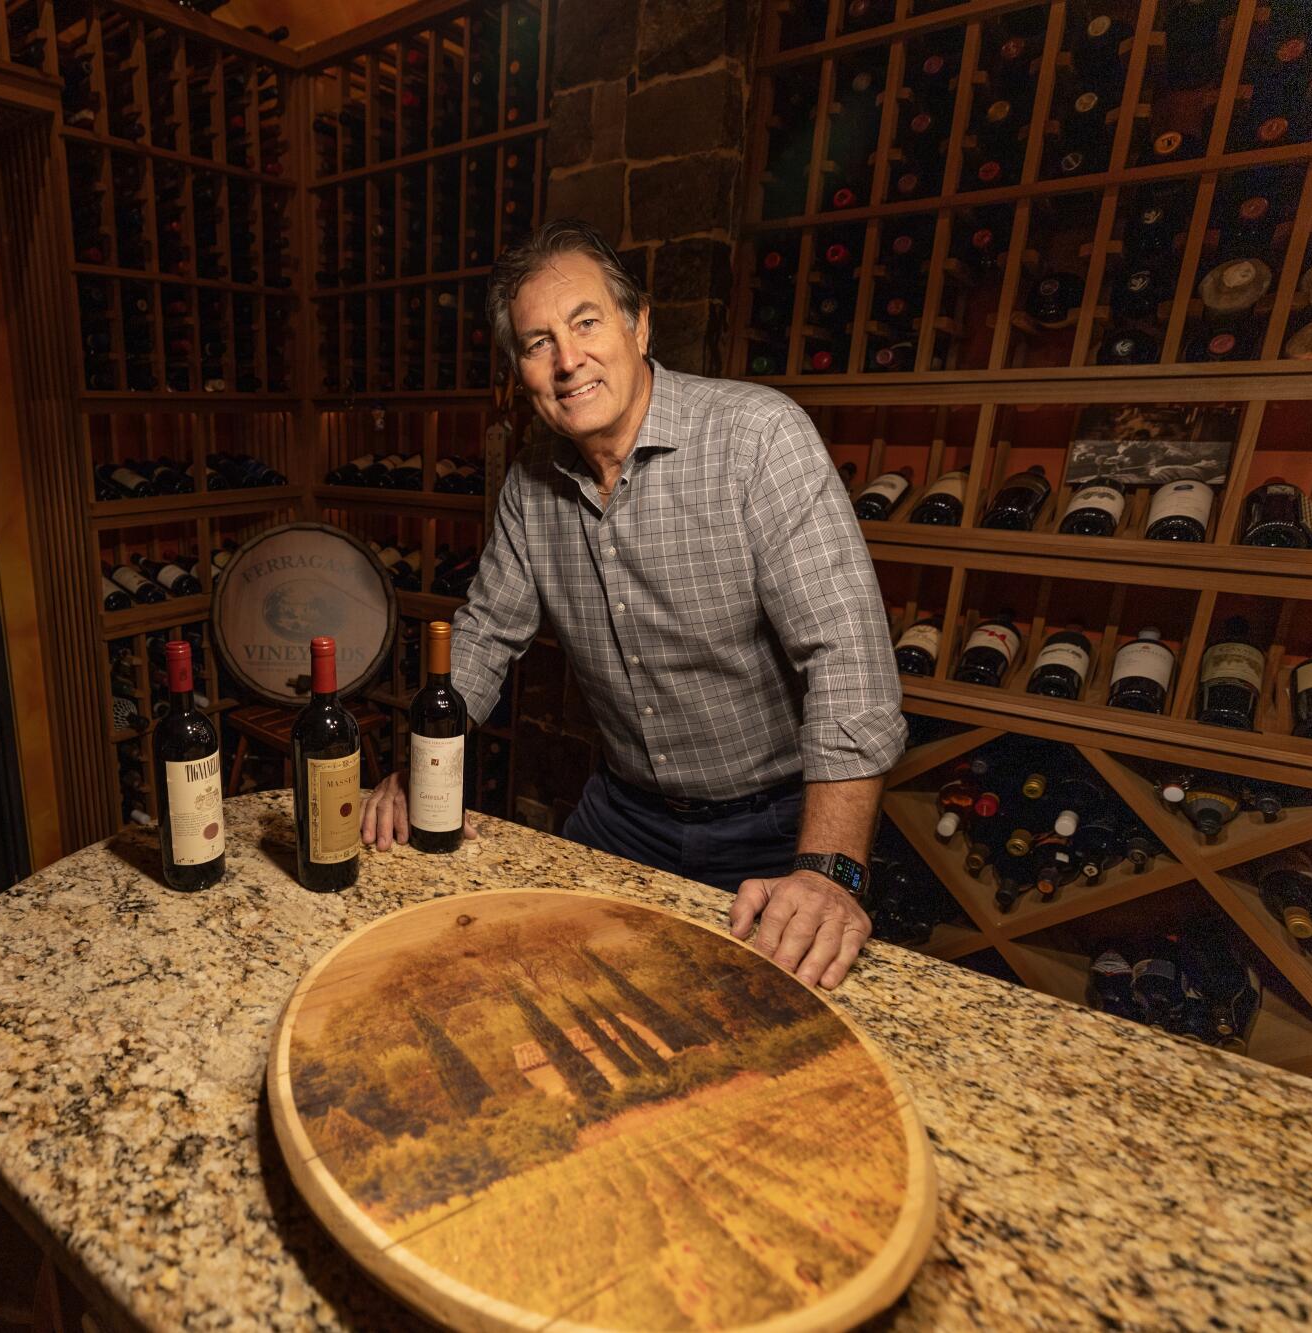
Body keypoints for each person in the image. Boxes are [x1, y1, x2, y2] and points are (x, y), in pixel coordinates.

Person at [359, 218, 905, 991]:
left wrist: (825, 871)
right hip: (622, 813)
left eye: (586, 322)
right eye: (537, 342)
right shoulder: (531, 483)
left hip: (776, 826)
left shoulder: (758, 439)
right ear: (519, 370)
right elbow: (482, 638)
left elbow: (851, 661)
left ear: (639, 324)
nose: (567, 359)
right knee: (546, 994)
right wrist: (420, 767)